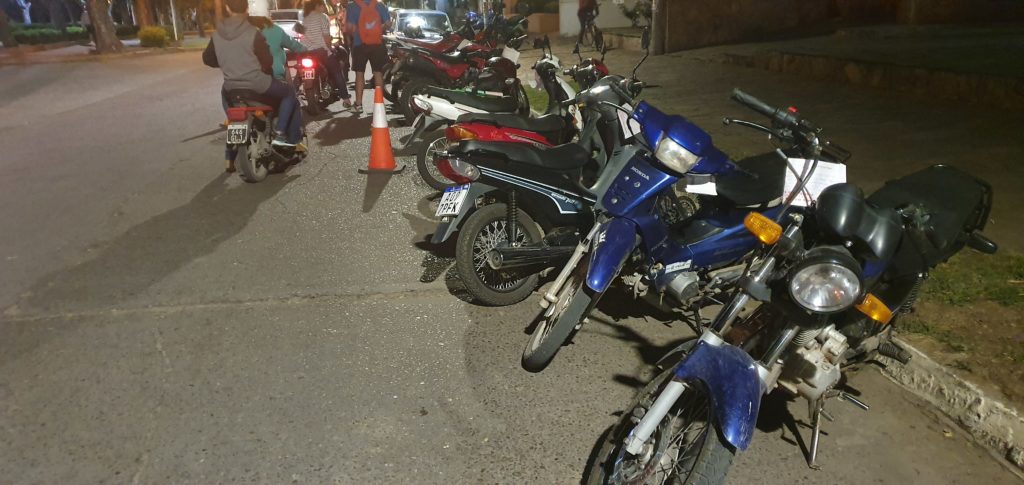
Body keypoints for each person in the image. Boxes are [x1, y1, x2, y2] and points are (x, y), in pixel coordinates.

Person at [203, 0, 304, 172]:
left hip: (231, 87)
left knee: (232, 113)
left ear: (227, 8)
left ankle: (230, 155)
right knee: (289, 93)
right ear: (246, 10)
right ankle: (280, 134)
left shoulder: (217, 34)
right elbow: (267, 61)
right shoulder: (253, 32)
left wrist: (228, 64)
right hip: (258, 84)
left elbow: (208, 59)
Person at [300, 0, 352, 108]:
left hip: (306, 53)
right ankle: (346, 99)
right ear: (318, 6)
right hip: (321, 52)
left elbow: (300, 36)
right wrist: (330, 49)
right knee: (337, 72)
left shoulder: (304, 19)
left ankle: (296, 91)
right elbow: (326, 38)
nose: (324, 8)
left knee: (299, 73)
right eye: (323, 6)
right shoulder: (323, 17)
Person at [345, 0, 390, 114]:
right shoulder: (379, 4)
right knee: (378, 73)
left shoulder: (352, 6)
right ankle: (379, 104)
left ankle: (358, 104)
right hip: (377, 44)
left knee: (359, 74)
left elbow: (349, 27)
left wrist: (357, 31)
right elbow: (388, 24)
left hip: (359, 44)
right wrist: (377, 29)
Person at [247, 5, 307, 82]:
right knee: (288, 89)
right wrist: (306, 50)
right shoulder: (275, 30)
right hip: (273, 76)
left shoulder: (241, 31)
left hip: (245, 78)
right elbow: (294, 45)